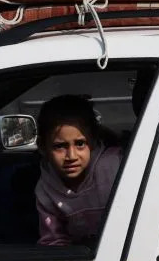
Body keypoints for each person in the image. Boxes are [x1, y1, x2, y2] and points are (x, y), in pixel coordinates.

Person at [34, 95, 121, 247]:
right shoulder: (45, 190)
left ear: (93, 141)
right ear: (42, 147)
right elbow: (54, 242)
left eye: (80, 144)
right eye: (60, 146)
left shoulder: (114, 167)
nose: (71, 156)